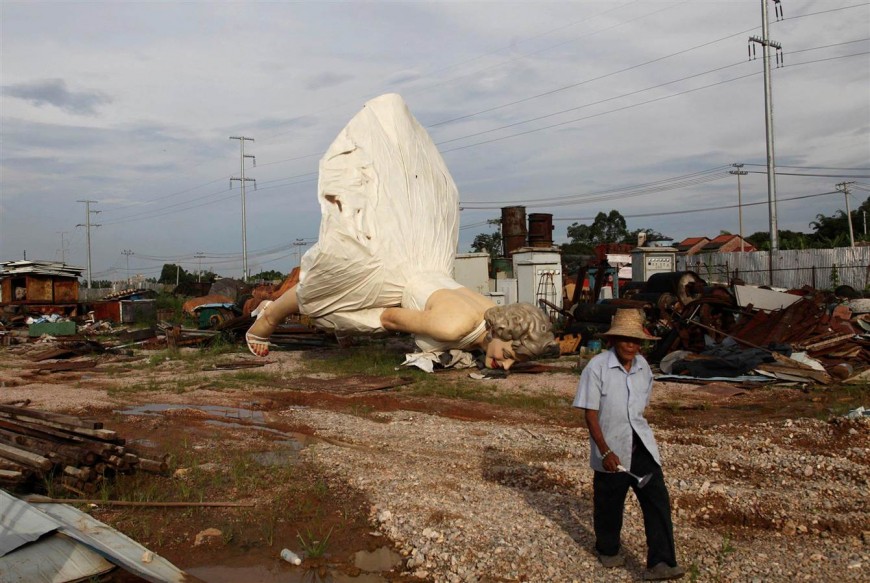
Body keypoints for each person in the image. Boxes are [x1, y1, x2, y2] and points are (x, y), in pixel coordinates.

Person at [245, 93, 559, 369]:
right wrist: (354, 318)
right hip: (405, 280)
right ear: (505, 335)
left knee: (344, 286)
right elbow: (389, 319)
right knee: (330, 289)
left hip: (427, 267)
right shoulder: (454, 326)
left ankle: (335, 328)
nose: (503, 366)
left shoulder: (494, 314)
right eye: (508, 357)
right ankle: (268, 318)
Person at [572, 309, 684, 581]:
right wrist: (605, 450)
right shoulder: (597, 367)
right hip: (610, 446)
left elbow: (640, 409)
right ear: (613, 341)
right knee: (609, 503)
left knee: (657, 500)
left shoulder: (644, 367)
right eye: (625, 340)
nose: (631, 346)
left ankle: (661, 562)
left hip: (641, 443)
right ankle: (608, 549)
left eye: (636, 341)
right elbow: (590, 413)